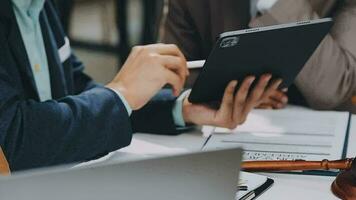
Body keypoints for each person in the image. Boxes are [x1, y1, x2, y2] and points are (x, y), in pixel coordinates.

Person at [0, 0, 280, 171]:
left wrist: (181, 109)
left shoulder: (38, 5)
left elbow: (75, 93)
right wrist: (120, 92)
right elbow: (12, 139)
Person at [164, 0, 356, 113]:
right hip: (220, 136)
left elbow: (333, 89)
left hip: (326, 147)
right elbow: (171, 80)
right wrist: (240, 94)